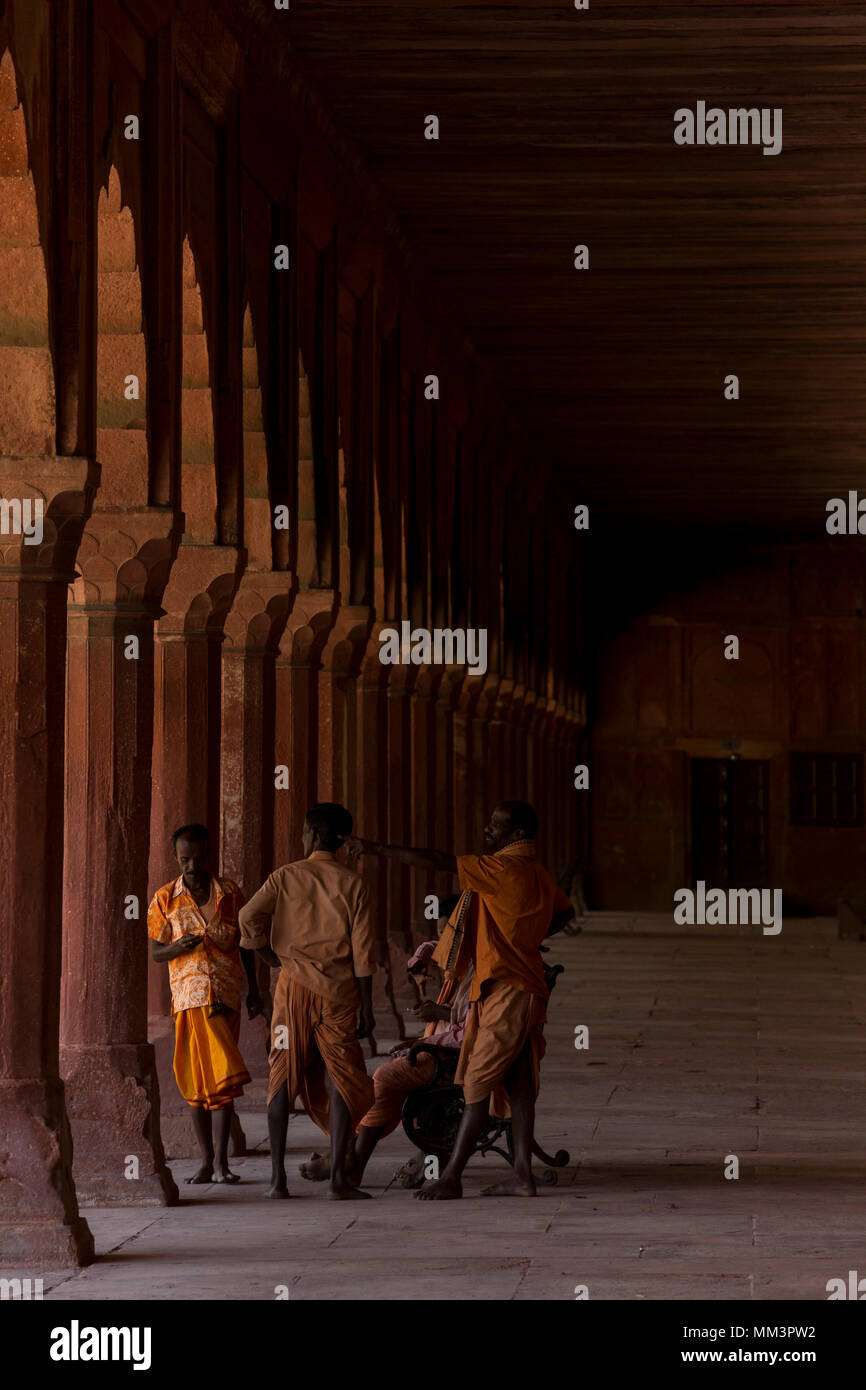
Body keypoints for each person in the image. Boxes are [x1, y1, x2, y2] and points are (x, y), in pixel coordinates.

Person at [350, 800, 574, 1199]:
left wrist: (376, 849)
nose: (488, 831)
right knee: (519, 1084)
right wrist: (527, 940)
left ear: (517, 835)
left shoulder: (499, 869)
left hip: (505, 993)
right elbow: (563, 913)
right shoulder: (538, 874)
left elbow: (438, 860)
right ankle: (522, 1174)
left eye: (497, 826)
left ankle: (451, 1177)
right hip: (525, 989)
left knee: (476, 1084)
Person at [239, 803, 376, 1201]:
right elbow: (364, 955)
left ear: (313, 835)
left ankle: (276, 1181)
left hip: (291, 991)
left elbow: (247, 918)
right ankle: (337, 1180)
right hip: (338, 993)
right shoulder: (354, 885)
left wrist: (272, 959)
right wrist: (367, 1008)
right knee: (341, 1081)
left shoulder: (285, 877)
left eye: (303, 832)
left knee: (282, 1075)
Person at [300, 893, 467, 1186]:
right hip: (441, 1051)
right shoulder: (462, 960)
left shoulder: (479, 969)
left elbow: (474, 1029)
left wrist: (428, 1039)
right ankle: (350, 1154)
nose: (440, 944)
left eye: (446, 936)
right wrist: (424, 954)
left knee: (384, 1078)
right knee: (385, 1080)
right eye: (438, 935)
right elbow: (434, 948)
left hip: (457, 1060)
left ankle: (353, 1161)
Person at [147, 824, 262, 1185]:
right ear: (176, 858)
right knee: (199, 1083)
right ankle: (206, 1161)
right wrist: (178, 948)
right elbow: (155, 952)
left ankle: (222, 1165)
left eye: (197, 857)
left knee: (222, 1081)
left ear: (208, 854)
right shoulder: (165, 897)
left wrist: (256, 991)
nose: (192, 865)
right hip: (189, 999)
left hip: (225, 997)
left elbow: (245, 946)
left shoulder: (229, 893)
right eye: (185, 859)